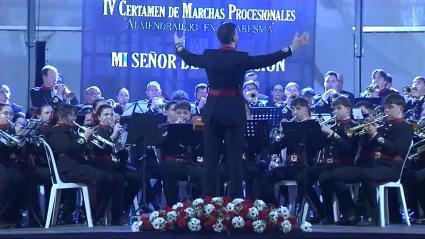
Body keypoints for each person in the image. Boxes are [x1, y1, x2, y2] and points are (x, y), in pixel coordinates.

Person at [174, 23, 309, 198]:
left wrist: (178, 45)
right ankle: (236, 201)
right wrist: (292, 47)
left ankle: (208, 200)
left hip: (213, 110)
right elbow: (267, 59)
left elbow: (189, 58)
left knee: (210, 160)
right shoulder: (241, 58)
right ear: (234, 37)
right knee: (235, 160)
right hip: (234, 111)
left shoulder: (209, 55)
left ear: (219, 38)